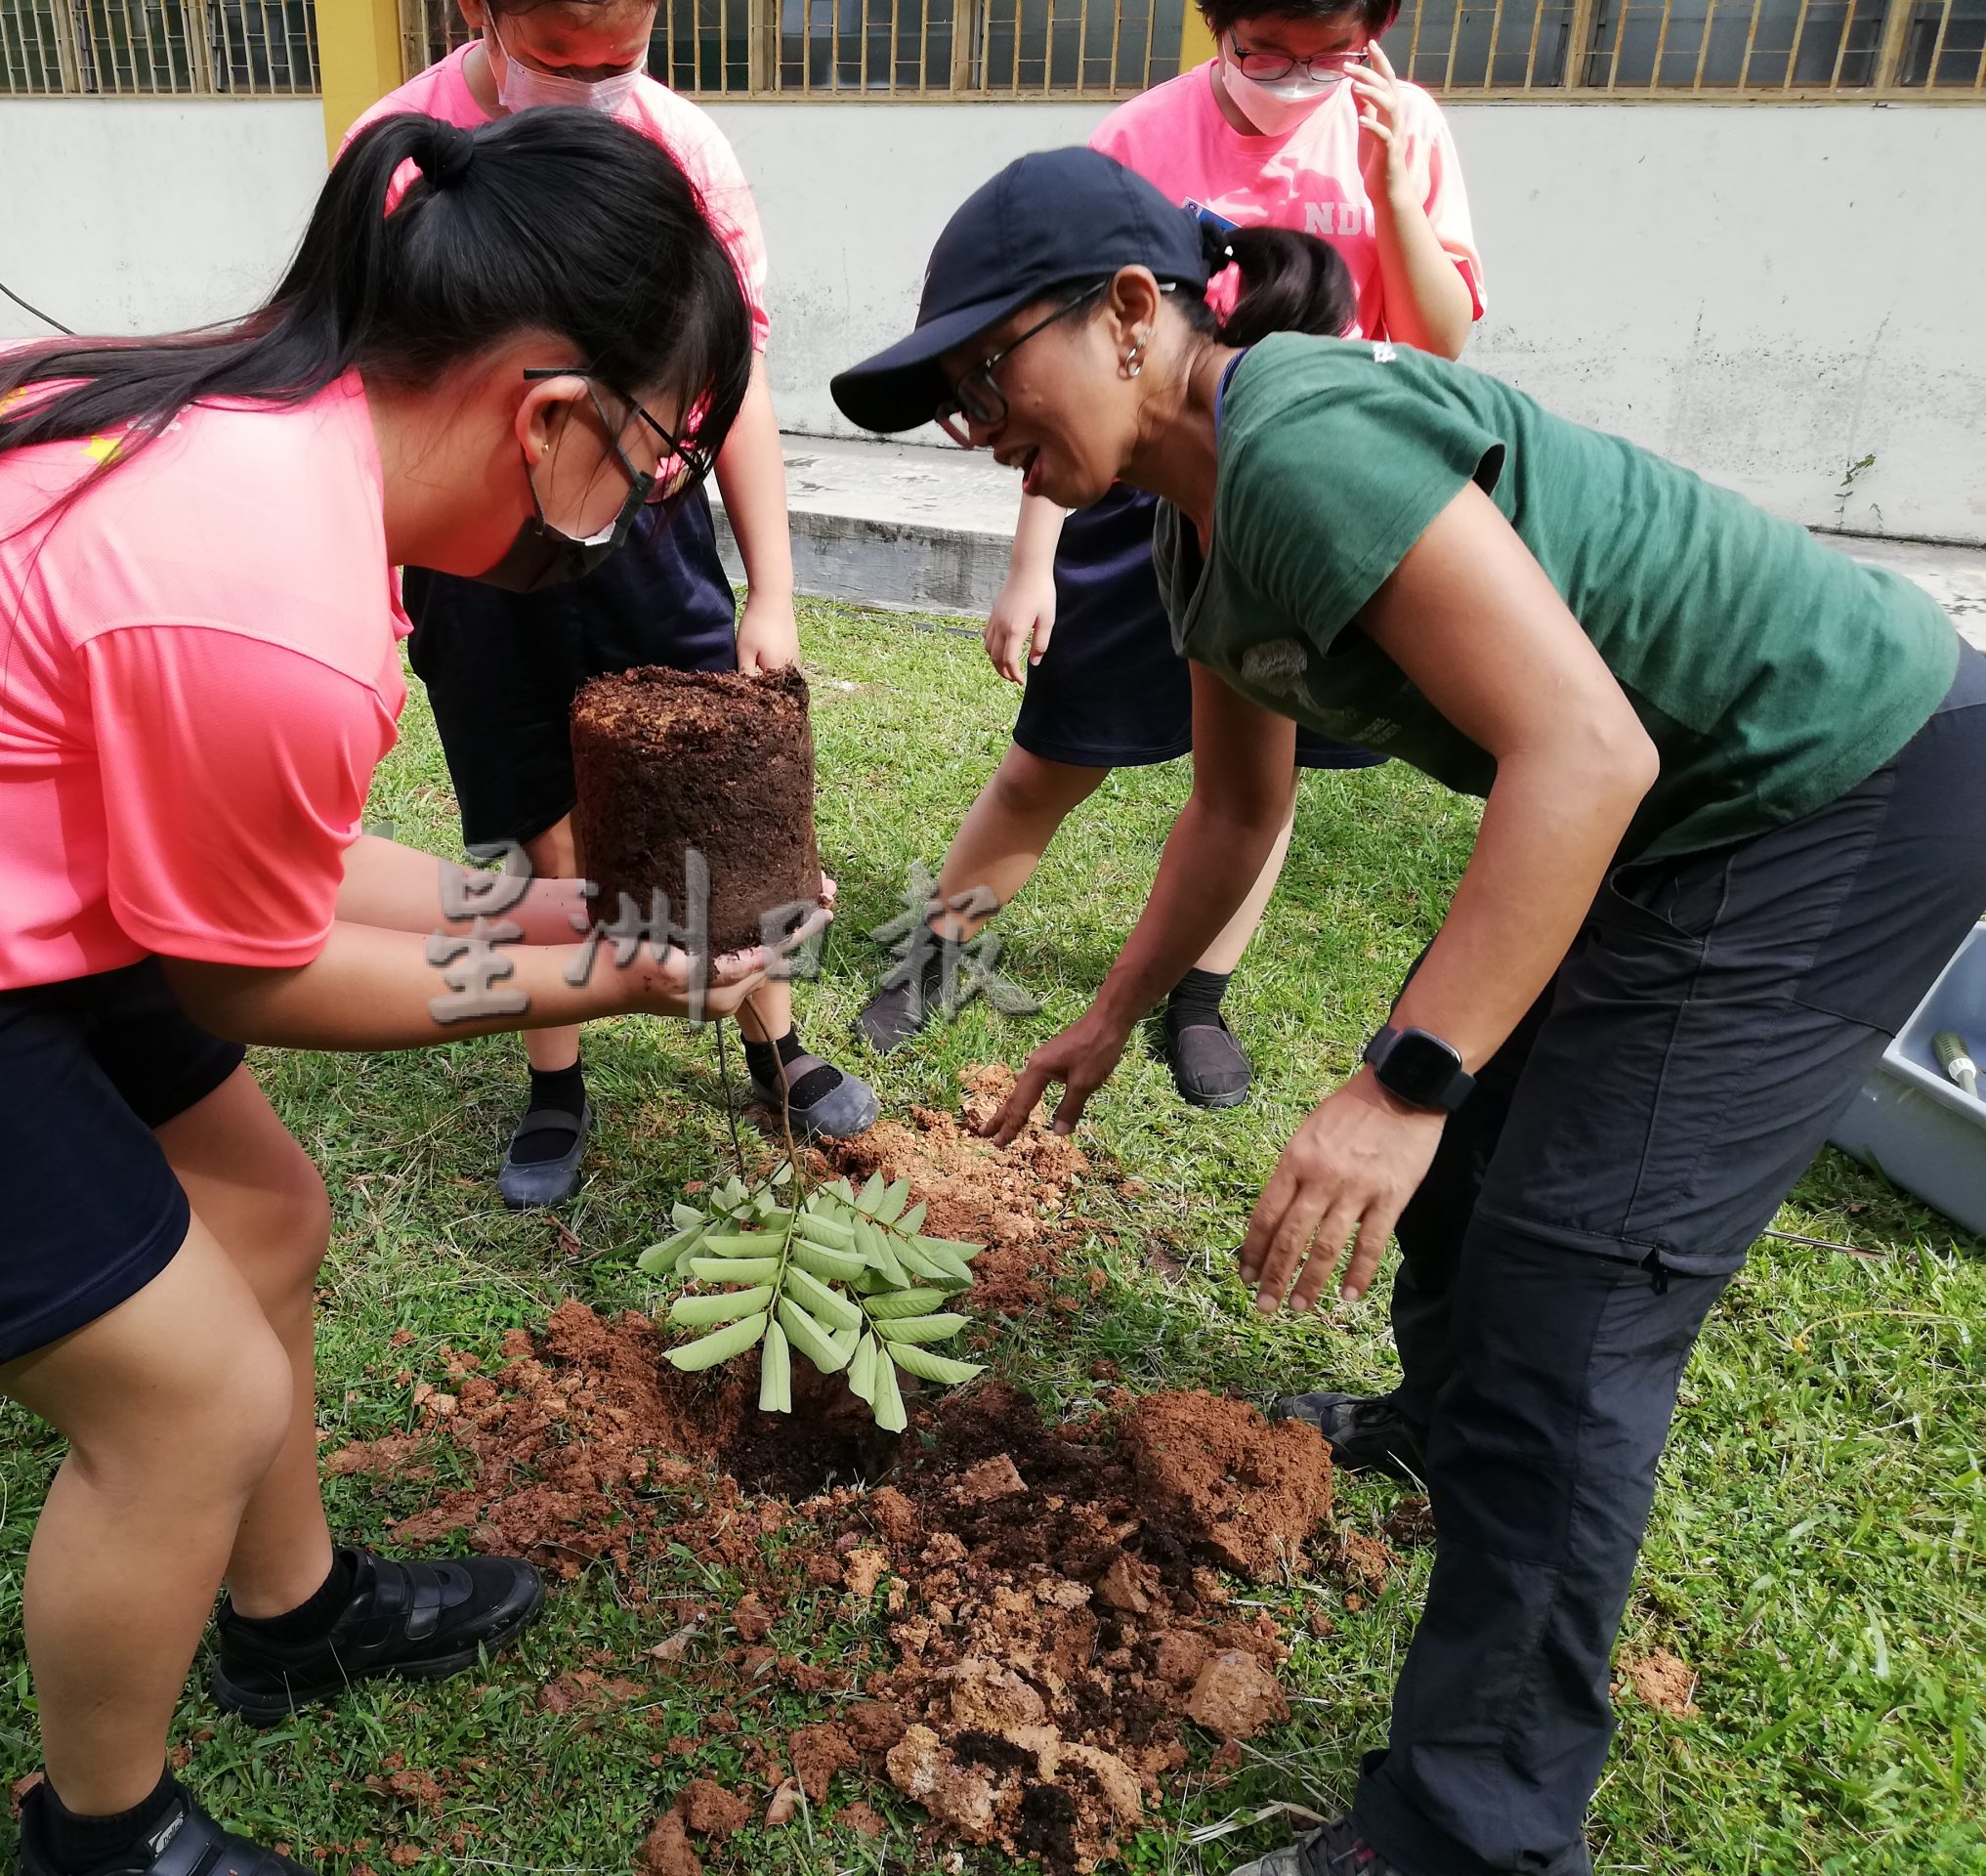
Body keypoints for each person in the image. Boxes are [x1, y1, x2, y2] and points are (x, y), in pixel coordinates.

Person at [0, 111, 782, 1876]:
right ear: (549, 413)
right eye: (660, 457)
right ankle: (105, 1838)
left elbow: (280, 867)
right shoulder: (270, 589)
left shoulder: (274, 431)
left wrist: (572, 906)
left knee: (261, 1215)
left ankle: (292, 1614)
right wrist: (615, 972)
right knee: (186, 1390)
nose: (648, 510)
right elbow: (249, 968)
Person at [831, 149, 1986, 1876]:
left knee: (1571, 1297)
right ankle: (1429, 1435)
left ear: (1135, 314)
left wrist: (1406, 1080)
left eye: (990, 368)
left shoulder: (1304, 439)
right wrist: (1109, 1015)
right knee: (1474, 1190)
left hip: (1843, 783)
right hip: (1682, 809)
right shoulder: (1193, 537)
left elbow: (1584, 751)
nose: (974, 424)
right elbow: (1231, 813)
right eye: (947, 400)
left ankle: (1473, 1830)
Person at [857, 0, 1483, 1115]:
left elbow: (1435, 337)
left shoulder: (1405, 129)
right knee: (1056, 751)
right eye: (1263, 49)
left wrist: (1392, 196)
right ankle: (939, 950)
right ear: (1220, 25)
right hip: (1137, 483)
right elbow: (1061, 379)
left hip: (1308, 504)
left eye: (1326, 51)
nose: (1293, 76)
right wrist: (1031, 563)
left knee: (1262, 776)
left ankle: (1197, 995)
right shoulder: (1141, 134)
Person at [344, 0, 877, 1209]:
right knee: (535, 795)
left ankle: (772, 1048)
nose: (593, 87)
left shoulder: (684, 148)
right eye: (557, 60)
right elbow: (367, 393)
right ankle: (557, 1078)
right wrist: (380, 599)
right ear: (480, 8)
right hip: (471, 539)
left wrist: (774, 590)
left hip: (644, 523)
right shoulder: (395, 148)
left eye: (619, 61)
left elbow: (731, 381)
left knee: (719, 787)